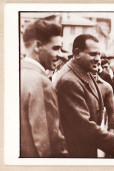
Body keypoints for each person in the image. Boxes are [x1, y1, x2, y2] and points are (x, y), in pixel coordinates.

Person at [53, 34, 114, 157]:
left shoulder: (84, 71)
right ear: (77, 53)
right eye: (93, 54)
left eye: (99, 54)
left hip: (85, 146)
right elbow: (84, 127)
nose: (98, 59)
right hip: (74, 152)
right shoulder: (69, 80)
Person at [20, 19, 68, 157]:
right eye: (56, 48)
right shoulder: (40, 81)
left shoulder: (17, 73)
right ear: (37, 46)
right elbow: (49, 143)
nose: (61, 54)